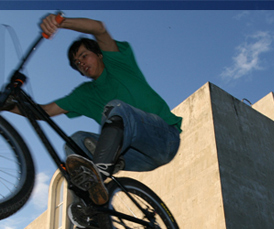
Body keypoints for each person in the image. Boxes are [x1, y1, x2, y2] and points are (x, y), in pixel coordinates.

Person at [29, 14, 182, 208]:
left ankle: (99, 172)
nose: (81, 63)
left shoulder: (118, 64)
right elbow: (45, 111)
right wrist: (8, 105)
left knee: (116, 108)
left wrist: (60, 23)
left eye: (84, 56)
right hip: (136, 158)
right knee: (74, 142)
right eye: (77, 63)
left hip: (164, 139)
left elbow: (99, 28)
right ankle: (89, 212)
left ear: (99, 54)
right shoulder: (84, 94)